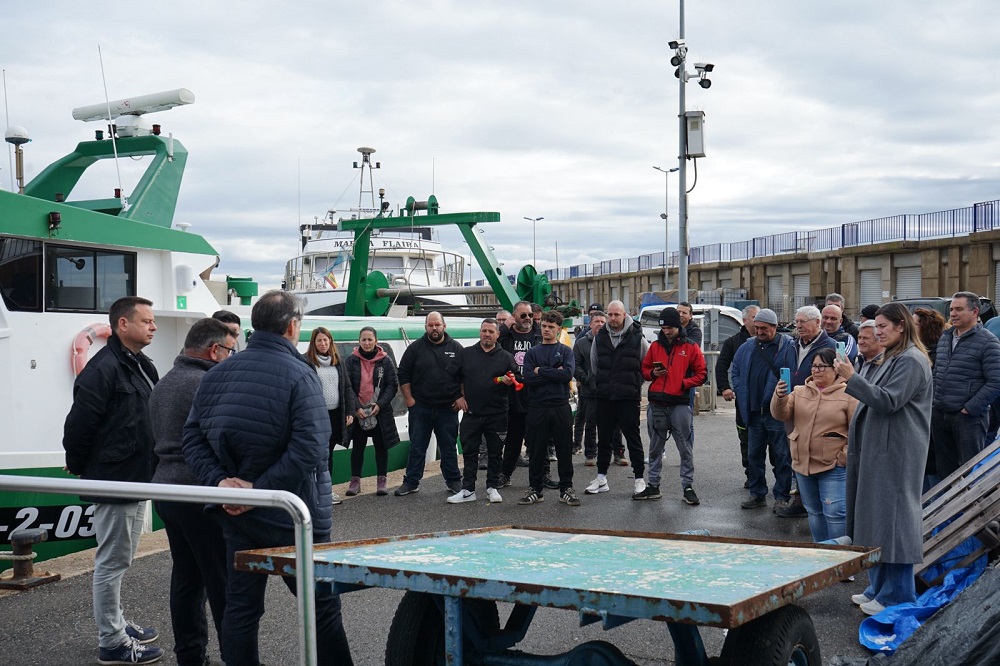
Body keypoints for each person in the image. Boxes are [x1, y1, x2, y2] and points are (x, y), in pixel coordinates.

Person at [182, 290, 354, 665]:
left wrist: (222, 484)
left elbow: (192, 437)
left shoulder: (217, 374)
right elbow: (311, 447)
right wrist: (259, 491)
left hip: (236, 516)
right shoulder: (301, 375)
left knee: (241, 608)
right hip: (294, 516)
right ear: (292, 327)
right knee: (321, 608)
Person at [63, 296, 163, 664]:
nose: (153, 326)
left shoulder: (140, 364)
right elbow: (78, 425)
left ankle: (117, 623)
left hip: (135, 477)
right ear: (123, 324)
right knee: (111, 562)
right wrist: (80, 466)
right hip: (114, 478)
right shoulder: (103, 369)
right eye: (146, 321)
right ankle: (112, 641)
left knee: (121, 559)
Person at [834, 302, 932, 615]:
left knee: (894, 523)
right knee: (875, 520)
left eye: (883, 327)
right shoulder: (894, 357)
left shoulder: (912, 360)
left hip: (897, 453)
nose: (877, 332)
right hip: (881, 451)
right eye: (875, 327)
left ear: (901, 326)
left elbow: (889, 401)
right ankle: (878, 588)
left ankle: (897, 595)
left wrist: (852, 377)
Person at [149, 318, 237, 666]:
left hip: (166, 490)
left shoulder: (165, 382)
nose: (230, 357)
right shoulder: (207, 383)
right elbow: (223, 440)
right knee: (221, 580)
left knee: (186, 577)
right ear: (215, 350)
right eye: (229, 351)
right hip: (199, 492)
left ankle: (190, 654)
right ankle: (235, 655)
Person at [771, 348, 859, 542]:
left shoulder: (849, 393)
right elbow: (780, 414)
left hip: (834, 466)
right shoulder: (799, 391)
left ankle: (840, 557)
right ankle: (820, 553)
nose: (816, 370)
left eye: (822, 366)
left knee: (835, 514)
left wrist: (843, 457)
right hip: (803, 463)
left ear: (835, 369)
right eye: (814, 366)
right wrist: (779, 397)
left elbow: (856, 430)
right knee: (813, 512)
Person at [730, 308, 797, 513]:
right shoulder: (747, 346)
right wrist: (740, 390)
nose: (759, 332)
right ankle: (757, 494)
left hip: (777, 413)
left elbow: (792, 374)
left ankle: (782, 496)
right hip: (753, 412)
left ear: (775, 327)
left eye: (764, 328)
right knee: (754, 456)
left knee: (782, 457)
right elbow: (735, 370)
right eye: (757, 327)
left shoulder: (788, 347)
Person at [639, 307, 706, 504]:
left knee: (685, 448)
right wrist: (653, 374)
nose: (666, 331)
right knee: (655, 448)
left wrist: (683, 384)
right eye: (663, 328)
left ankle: (688, 487)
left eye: (670, 327)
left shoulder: (690, 347)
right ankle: (653, 486)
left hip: (679, 404)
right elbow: (644, 369)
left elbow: (702, 373)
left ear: (678, 326)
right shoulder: (655, 347)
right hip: (657, 403)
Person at [930, 292, 1000, 478]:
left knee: (970, 472)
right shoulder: (945, 338)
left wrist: (970, 409)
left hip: (968, 419)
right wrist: (935, 403)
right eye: (952, 309)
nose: (953, 313)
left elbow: (996, 381)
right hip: (941, 414)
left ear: (975, 311)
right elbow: (938, 373)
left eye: (959, 309)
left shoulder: (988, 341)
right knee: (945, 472)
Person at [447, 318, 516, 504]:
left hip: (497, 413)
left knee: (495, 453)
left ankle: (492, 487)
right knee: (469, 453)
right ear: (480, 332)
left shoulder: (506, 357)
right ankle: (468, 490)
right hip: (472, 413)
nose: (487, 334)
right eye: (484, 331)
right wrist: (457, 397)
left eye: (491, 331)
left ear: (497, 335)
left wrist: (510, 381)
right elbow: (450, 377)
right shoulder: (466, 354)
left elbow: (517, 378)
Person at [395, 312, 464, 496]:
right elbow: (403, 374)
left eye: (437, 325)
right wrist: (409, 400)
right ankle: (411, 482)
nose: (434, 328)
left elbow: (464, 376)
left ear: (444, 326)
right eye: (430, 325)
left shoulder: (456, 348)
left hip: (447, 409)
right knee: (417, 447)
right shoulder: (415, 348)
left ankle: (453, 481)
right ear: (426, 327)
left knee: (448, 447)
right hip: (421, 408)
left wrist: (461, 397)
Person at [586, 300, 649, 495]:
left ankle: (639, 479)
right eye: (610, 314)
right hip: (605, 396)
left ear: (625, 315)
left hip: (628, 398)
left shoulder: (637, 337)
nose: (613, 318)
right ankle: (601, 478)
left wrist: (632, 385)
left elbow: (645, 365)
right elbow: (594, 365)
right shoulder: (600, 337)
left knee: (633, 438)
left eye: (617, 314)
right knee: (604, 439)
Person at [520, 310, 579, 506]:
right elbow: (529, 378)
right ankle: (535, 489)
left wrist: (541, 371)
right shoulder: (532, 352)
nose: (546, 329)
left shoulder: (566, 351)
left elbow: (567, 375)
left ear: (558, 329)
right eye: (544, 326)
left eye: (551, 327)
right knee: (536, 450)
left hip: (560, 406)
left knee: (564, 449)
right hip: (537, 407)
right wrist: (554, 372)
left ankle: (566, 489)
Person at [343, 326, 400, 496]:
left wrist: (380, 404)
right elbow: (347, 386)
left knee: (381, 447)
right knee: (358, 447)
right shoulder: (351, 361)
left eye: (370, 339)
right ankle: (355, 481)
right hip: (359, 411)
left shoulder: (385, 361)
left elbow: (392, 385)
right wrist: (356, 407)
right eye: (364, 339)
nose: (367, 343)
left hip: (379, 412)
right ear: (359, 341)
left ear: (376, 341)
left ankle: (382, 480)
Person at [305, 327, 353, 502]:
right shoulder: (306, 361)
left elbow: (347, 387)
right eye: (319, 340)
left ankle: (326, 491)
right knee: (316, 453)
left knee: (328, 454)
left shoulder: (338, 362)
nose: (323, 343)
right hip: (316, 416)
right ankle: (313, 491)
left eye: (326, 340)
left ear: (330, 341)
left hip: (335, 416)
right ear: (313, 343)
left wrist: (350, 411)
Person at [498, 301, 543, 487]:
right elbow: (489, 346)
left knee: (539, 439)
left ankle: (542, 475)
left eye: (530, 315)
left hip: (535, 395)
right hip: (513, 396)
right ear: (514, 316)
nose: (527, 319)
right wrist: (504, 328)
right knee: (513, 439)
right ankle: (505, 474)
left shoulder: (539, 335)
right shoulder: (506, 336)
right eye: (523, 315)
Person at [718, 304, 759, 487]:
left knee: (774, 444)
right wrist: (725, 388)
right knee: (746, 440)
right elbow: (721, 366)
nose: (758, 322)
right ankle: (751, 476)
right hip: (743, 401)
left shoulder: (771, 341)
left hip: (766, 401)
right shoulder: (733, 342)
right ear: (745, 321)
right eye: (754, 317)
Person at [573, 311, 606, 466]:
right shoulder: (581, 343)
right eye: (596, 321)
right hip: (588, 390)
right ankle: (590, 454)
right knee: (590, 422)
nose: (599, 324)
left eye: (602, 322)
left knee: (612, 424)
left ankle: (615, 452)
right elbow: (575, 364)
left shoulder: (612, 341)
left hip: (608, 389)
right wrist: (586, 379)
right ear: (590, 324)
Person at [790, 306, 837, 387]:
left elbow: (840, 377)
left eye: (802, 321)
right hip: (792, 394)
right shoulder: (791, 346)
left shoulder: (832, 346)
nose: (798, 326)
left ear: (817, 322)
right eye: (796, 322)